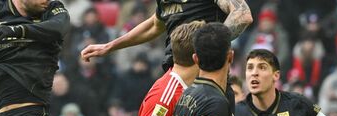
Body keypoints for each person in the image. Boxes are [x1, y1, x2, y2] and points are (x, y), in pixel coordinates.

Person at [80, 0, 252, 70]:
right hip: (174, 68)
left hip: (204, 70)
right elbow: (155, 25)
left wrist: (210, 47)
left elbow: (242, 15)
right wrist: (109, 46)